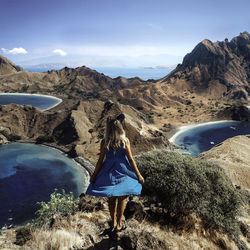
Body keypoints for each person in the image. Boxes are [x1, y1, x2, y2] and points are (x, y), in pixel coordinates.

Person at [85, 114, 144, 232]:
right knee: (122, 198)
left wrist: (94, 175)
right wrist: (138, 174)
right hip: (123, 171)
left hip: (108, 172)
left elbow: (100, 161)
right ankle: (119, 223)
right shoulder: (125, 141)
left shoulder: (104, 142)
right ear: (120, 129)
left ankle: (114, 222)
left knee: (111, 199)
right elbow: (131, 159)